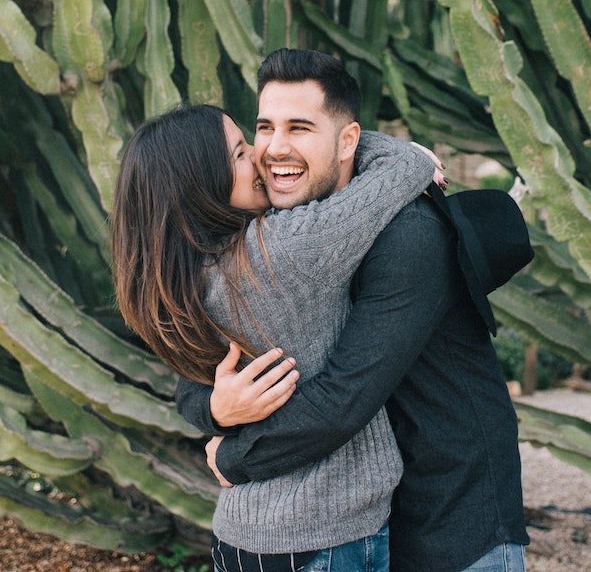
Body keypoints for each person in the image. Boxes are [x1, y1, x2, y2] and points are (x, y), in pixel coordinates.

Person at [176, 49, 530, 572]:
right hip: (362, 525)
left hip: (451, 518)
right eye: (265, 127)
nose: (274, 148)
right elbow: (196, 364)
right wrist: (215, 407)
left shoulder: (408, 235)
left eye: (299, 127)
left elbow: (346, 396)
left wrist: (232, 458)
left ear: (347, 141)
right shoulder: (284, 234)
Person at [112, 87, 439, 571]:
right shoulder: (283, 249)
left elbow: (192, 389)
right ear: (204, 179)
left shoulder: (185, 279)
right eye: (241, 152)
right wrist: (378, 144)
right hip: (324, 538)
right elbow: (403, 171)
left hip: (242, 533)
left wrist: (216, 411)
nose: (264, 155)